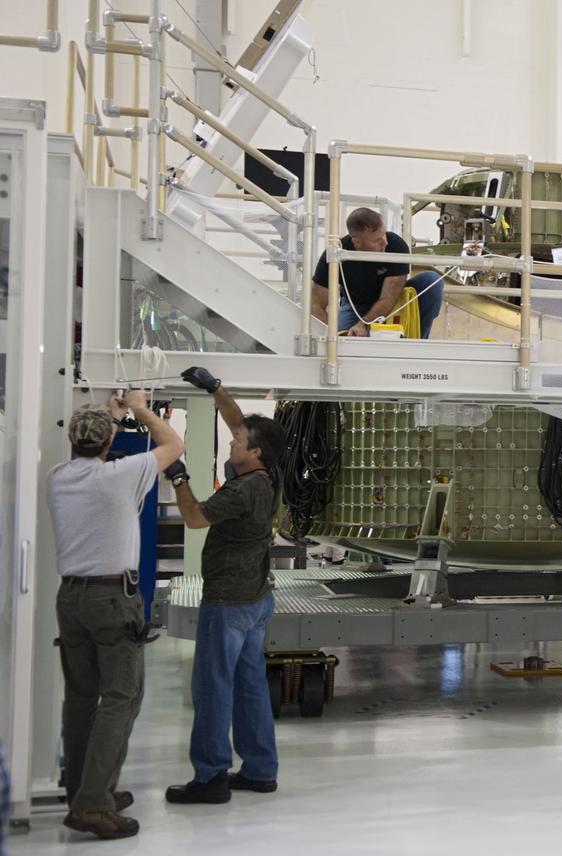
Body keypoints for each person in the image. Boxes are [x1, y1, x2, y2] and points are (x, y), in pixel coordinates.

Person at [47, 391, 184, 840]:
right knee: (121, 698)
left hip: (71, 600)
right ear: (109, 445)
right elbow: (173, 445)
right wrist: (141, 408)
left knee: (81, 699)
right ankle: (93, 803)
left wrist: (111, 414)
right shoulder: (122, 476)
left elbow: (91, 445)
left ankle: (82, 789)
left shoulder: (58, 477)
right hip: (112, 601)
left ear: (72, 440)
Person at [164, 367, 288, 804]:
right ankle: (259, 769)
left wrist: (178, 476)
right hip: (256, 598)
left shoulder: (242, 492)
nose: (232, 441)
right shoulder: (271, 474)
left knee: (212, 686)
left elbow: (196, 517)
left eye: (238, 442)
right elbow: (240, 426)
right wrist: (215, 388)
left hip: (229, 601)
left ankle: (211, 775)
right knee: (250, 683)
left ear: (254, 454)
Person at [310, 206, 445, 337]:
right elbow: (316, 304)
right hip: (356, 305)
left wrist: (364, 324)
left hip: (396, 302)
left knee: (432, 280)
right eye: (377, 240)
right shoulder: (335, 254)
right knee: (346, 343)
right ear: (356, 242)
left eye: (384, 234)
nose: (385, 242)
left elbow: (389, 298)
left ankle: (418, 343)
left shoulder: (396, 245)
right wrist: (328, 336)